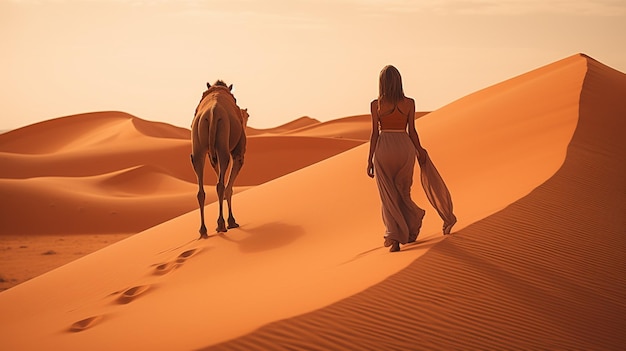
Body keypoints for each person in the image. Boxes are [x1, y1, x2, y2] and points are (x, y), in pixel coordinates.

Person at [367, 65, 456, 252]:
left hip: (384, 149)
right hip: (404, 147)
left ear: (382, 83)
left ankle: (395, 238)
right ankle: (410, 223)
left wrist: (369, 159)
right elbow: (412, 131)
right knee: (403, 191)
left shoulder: (376, 105)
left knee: (389, 196)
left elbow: (375, 133)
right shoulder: (409, 103)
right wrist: (419, 149)